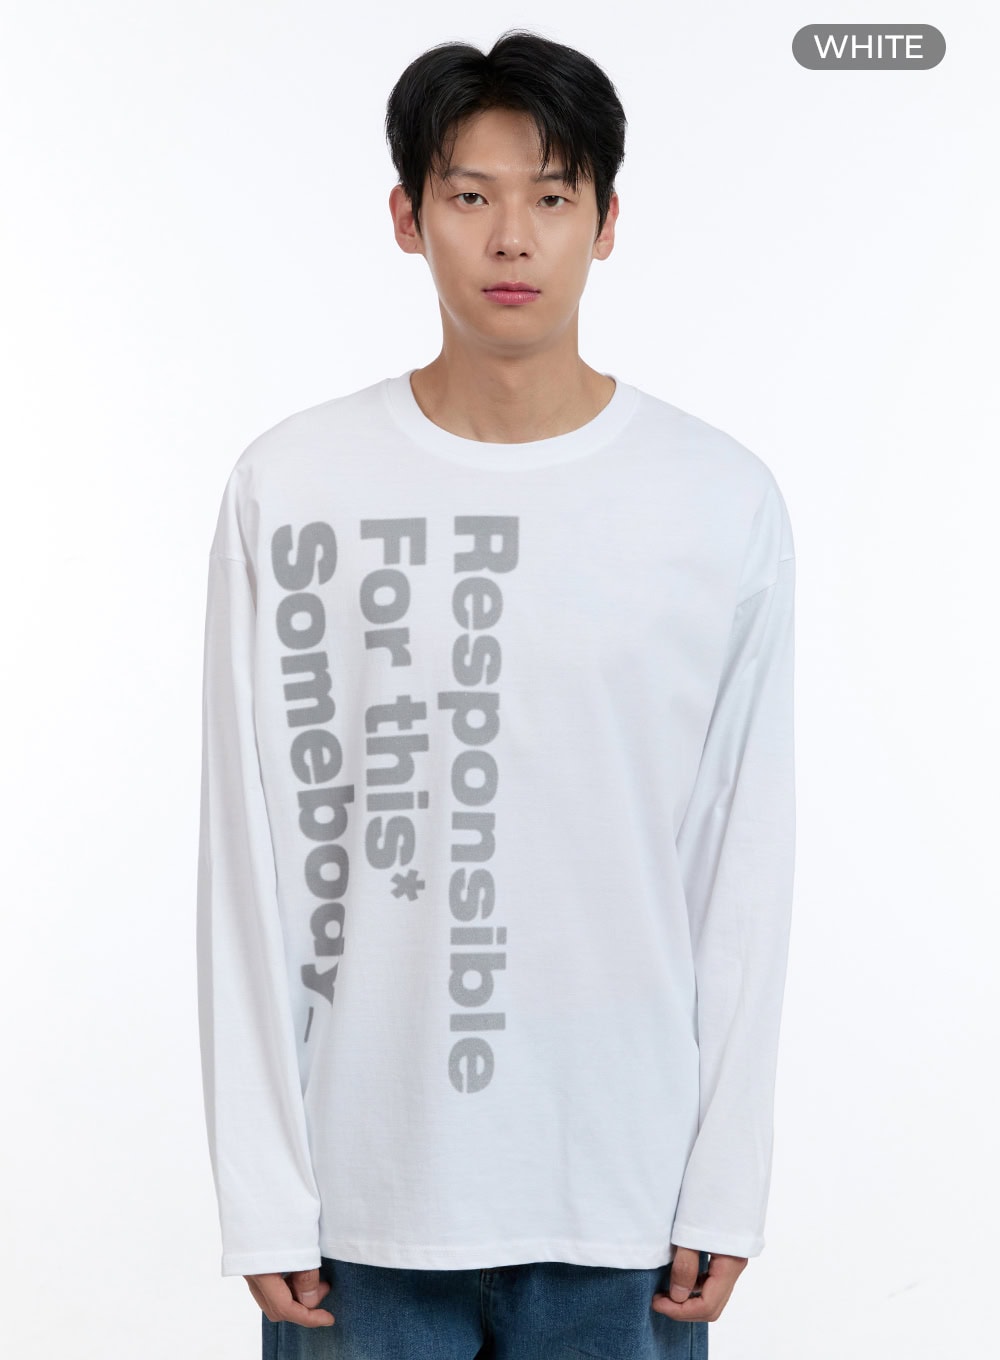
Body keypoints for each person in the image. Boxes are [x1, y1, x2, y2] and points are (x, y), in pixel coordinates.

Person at [196, 27, 796, 1360]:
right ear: (407, 218)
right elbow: (248, 857)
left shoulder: (716, 501)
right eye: (470, 195)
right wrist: (260, 1192)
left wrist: (726, 1176)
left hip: (623, 1210)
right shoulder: (295, 487)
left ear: (608, 222)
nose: (511, 237)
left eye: (553, 195)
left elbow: (741, 865)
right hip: (359, 1213)